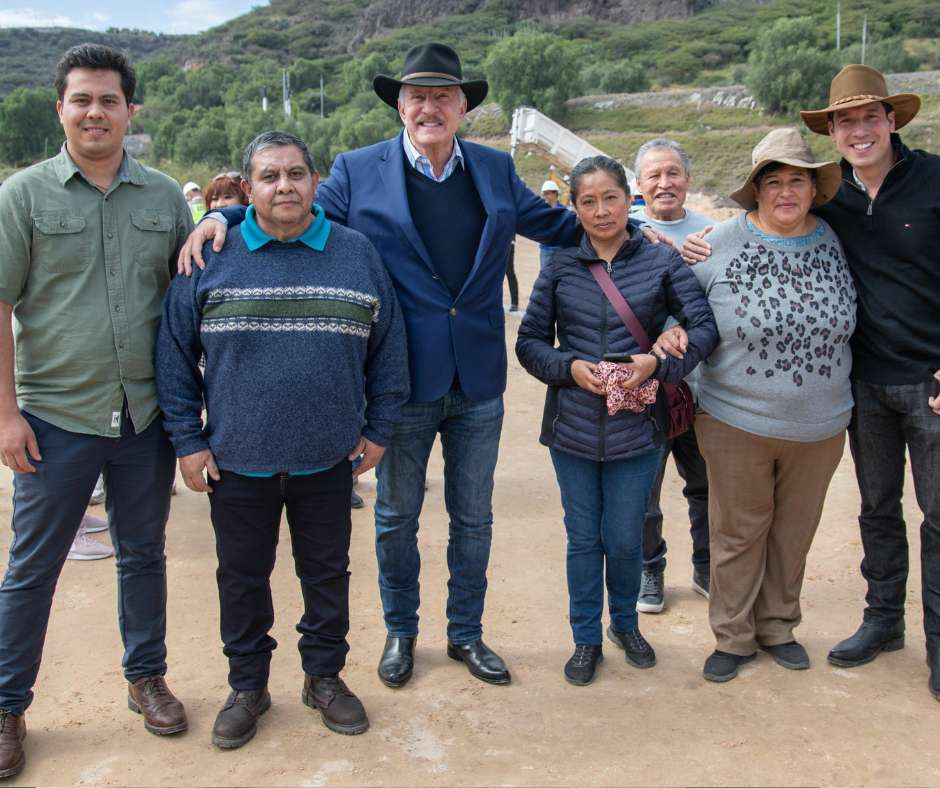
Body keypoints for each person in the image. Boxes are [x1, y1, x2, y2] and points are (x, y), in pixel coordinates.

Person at [178, 42, 588, 689]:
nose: (430, 107)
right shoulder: (355, 170)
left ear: (462, 107)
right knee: (396, 517)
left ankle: (465, 633)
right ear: (400, 107)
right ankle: (401, 632)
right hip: (400, 384)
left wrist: (638, 227)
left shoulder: (494, 168)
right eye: (417, 97)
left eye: (442, 97)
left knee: (473, 518)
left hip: (478, 380)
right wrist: (223, 215)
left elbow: (562, 227)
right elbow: (290, 207)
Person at [684, 66, 940, 699]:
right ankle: (841, 627)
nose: (786, 191)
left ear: (890, 121)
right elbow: (685, 300)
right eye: (845, 121)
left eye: (869, 117)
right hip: (807, 402)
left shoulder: (897, 200)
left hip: (890, 397)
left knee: (909, 522)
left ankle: (799, 630)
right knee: (844, 516)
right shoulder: (754, 233)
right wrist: (680, 246)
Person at [157, 130, 408, 749]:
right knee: (242, 578)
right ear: (248, 189)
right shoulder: (210, 257)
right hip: (237, 460)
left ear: (315, 182)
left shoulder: (356, 254)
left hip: (329, 459)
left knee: (326, 575)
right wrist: (188, 440)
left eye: (297, 174)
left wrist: (379, 428)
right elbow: (172, 352)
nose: (285, 186)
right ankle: (248, 686)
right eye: (269, 176)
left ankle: (323, 678)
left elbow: (390, 349)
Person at [0, 43, 192, 779]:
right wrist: (6, 415)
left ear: (129, 111)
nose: (95, 112)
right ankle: (8, 705)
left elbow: (186, 294)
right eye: (81, 99)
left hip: (142, 419)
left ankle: (146, 678)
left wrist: (211, 225)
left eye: (109, 100)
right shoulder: (26, 195)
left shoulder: (164, 197)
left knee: (143, 556)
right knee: (32, 567)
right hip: (54, 417)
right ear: (61, 109)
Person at [515, 155, 717, 686]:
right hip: (573, 428)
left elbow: (703, 328)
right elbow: (529, 342)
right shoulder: (559, 265)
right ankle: (585, 638)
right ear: (575, 209)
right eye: (588, 201)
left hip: (638, 426)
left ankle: (625, 625)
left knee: (625, 537)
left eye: (610, 198)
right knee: (583, 538)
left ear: (631, 199)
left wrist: (658, 363)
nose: (601, 211)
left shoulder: (662, 263)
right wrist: (569, 367)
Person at [680, 128, 855, 683]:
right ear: (755, 190)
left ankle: (778, 625)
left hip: (822, 424)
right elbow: (679, 319)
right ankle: (733, 635)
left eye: (796, 180)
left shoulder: (835, 239)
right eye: (772, 181)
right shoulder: (717, 244)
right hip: (735, 420)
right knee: (737, 531)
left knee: (795, 531)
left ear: (813, 188)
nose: (784, 191)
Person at [631, 138, 713, 613]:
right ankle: (650, 568)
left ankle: (706, 565)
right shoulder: (622, 233)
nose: (664, 183)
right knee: (644, 488)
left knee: (705, 484)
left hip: (705, 387)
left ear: (688, 178)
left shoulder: (715, 234)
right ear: (638, 184)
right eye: (654, 175)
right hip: (644, 390)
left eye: (673, 173)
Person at [538, 180, 562, 270]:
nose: (544, 197)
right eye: (543, 194)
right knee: (545, 277)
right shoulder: (541, 211)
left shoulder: (563, 211)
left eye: (547, 193)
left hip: (560, 250)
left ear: (555, 194)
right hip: (545, 249)